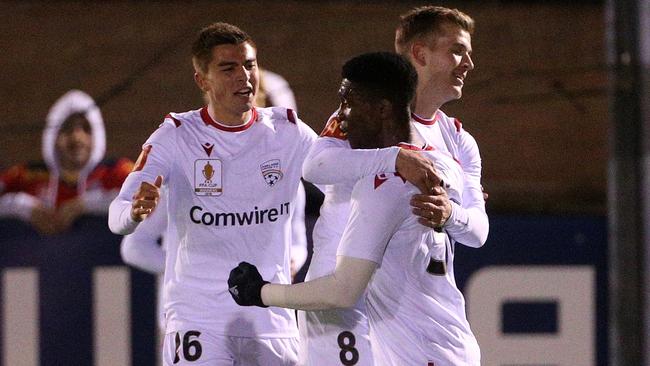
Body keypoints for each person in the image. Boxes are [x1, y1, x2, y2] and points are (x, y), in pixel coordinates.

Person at [228, 51, 481, 365]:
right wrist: (454, 215)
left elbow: (342, 291)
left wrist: (261, 293)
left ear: (381, 110)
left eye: (348, 103)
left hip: (421, 353)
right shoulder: (441, 163)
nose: (341, 117)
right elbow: (478, 231)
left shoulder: (383, 185)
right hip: (449, 344)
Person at [108, 22, 321, 365]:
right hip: (198, 320)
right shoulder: (175, 136)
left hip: (271, 321)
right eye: (229, 68)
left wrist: (394, 159)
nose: (245, 76)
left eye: (249, 65)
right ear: (202, 80)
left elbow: (343, 183)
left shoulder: (289, 132)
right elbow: (117, 219)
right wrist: (133, 213)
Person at [295, 6, 489, 365]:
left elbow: (478, 232)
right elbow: (315, 166)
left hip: (405, 313)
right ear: (420, 54)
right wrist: (394, 159)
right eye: (458, 50)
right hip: (342, 303)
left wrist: (451, 215)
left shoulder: (459, 139)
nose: (468, 64)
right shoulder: (361, 115)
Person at [119, 68, 309, 336]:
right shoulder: (188, 170)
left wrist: (291, 260)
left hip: (262, 316)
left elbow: (299, 243)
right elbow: (135, 246)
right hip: (196, 317)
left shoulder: (288, 183)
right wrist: (200, 271)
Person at [0, 89, 133, 234]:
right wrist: (22, 206)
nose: (77, 138)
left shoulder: (115, 170)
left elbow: (151, 197)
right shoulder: (28, 174)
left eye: (86, 129)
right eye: (67, 129)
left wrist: (86, 204)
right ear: (52, 136)